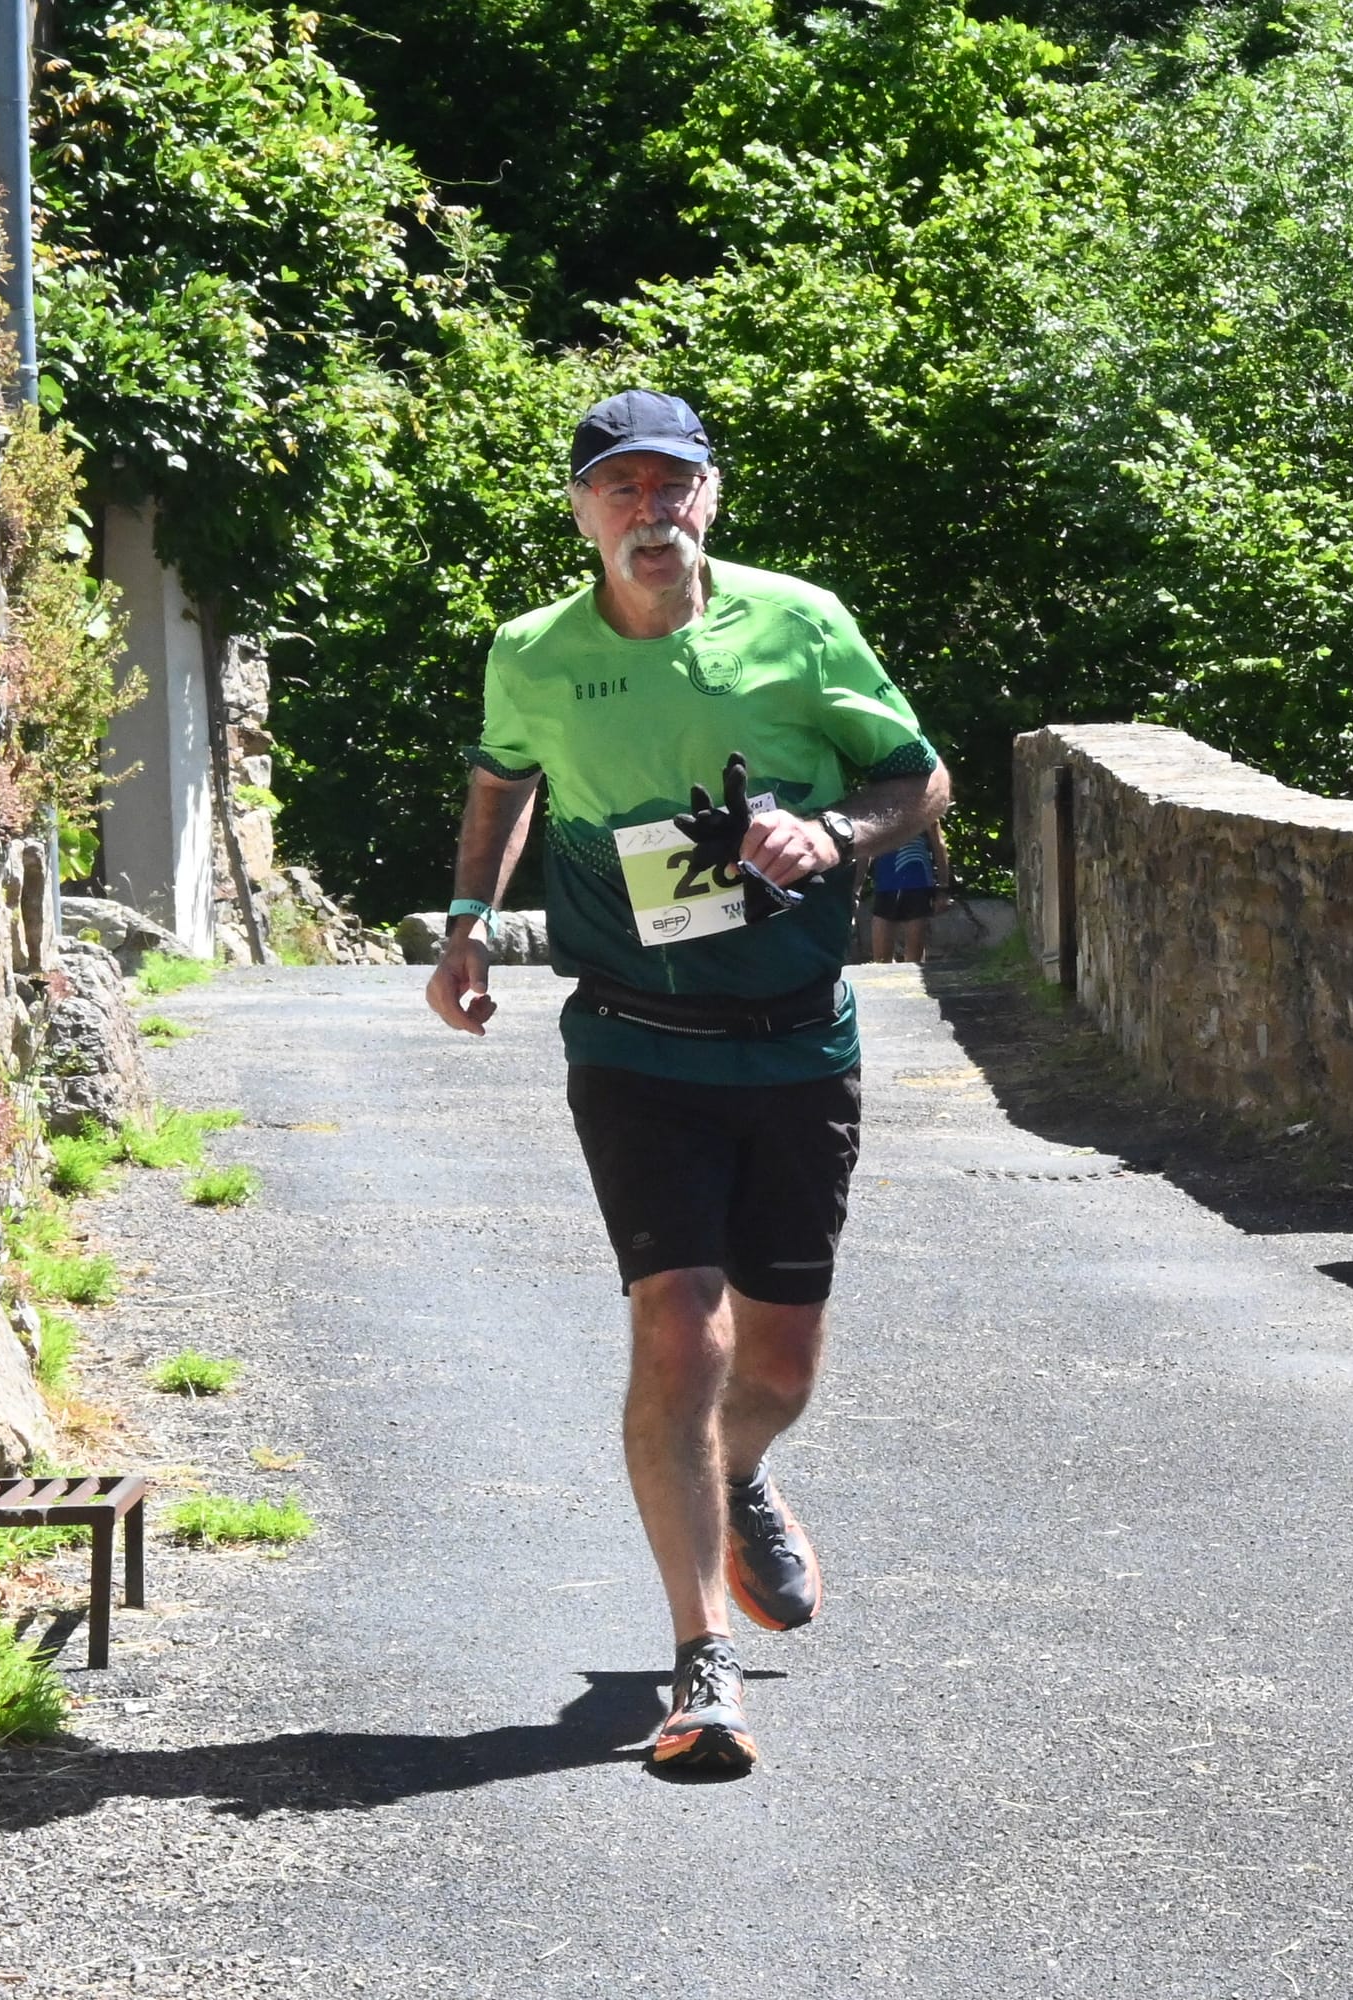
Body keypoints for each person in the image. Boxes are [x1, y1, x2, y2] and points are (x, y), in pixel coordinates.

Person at [426, 388, 950, 1775]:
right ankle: (700, 1658)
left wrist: (831, 830)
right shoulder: (534, 654)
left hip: (794, 1034)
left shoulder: (798, 623)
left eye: (673, 488)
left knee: (775, 1366)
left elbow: (923, 781)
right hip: (632, 1037)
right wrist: (466, 921)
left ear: (708, 498)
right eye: (621, 490)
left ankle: (734, 1472)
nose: (649, 514)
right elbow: (501, 780)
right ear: (583, 509)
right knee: (682, 1332)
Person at [870, 823, 951, 963]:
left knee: (914, 960)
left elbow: (939, 844)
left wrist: (943, 889)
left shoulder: (923, 807)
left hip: (917, 882)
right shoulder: (878, 807)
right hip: (885, 883)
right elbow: (866, 850)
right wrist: (856, 888)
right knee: (881, 960)